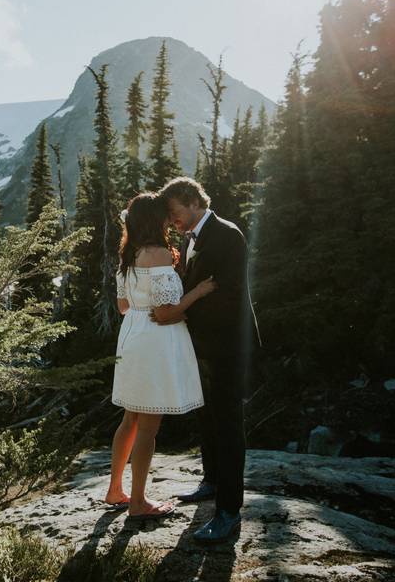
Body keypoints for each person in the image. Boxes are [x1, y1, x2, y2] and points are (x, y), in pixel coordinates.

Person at [155, 177, 260, 543]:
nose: (172, 221)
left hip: (228, 344)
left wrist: (182, 313)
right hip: (201, 345)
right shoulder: (192, 239)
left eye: (174, 212)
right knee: (206, 413)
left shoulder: (227, 234)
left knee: (228, 423)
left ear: (191, 201)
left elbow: (228, 293)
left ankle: (229, 511)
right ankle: (212, 480)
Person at [104, 192, 217, 520]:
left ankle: (115, 490)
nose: (170, 219)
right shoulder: (159, 255)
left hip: (132, 337)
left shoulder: (128, 255)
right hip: (154, 343)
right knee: (149, 427)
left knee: (130, 419)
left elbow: (124, 307)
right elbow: (166, 312)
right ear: (155, 220)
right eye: (164, 215)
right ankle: (138, 503)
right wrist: (195, 294)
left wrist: (154, 309)